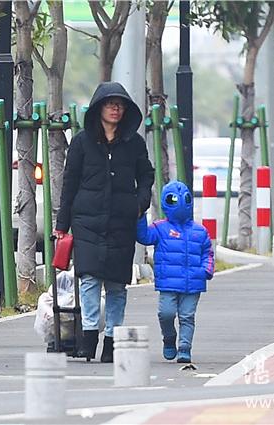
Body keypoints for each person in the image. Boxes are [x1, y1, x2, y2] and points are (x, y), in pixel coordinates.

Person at [54, 82, 154, 363]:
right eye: (110, 104)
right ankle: (88, 337)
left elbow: (146, 176)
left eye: (120, 104)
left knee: (117, 285)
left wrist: (139, 203)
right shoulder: (82, 142)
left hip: (122, 221)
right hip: (86, 221)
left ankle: (112, 340)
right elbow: (69, 183)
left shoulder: (134, 143)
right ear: (99, 108)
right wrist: (62, 225)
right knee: (88, 279)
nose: (115, 109)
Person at [136, 181, 214, 363]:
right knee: (166, 313)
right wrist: (140, 216)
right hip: (168, 283)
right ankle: (169, 338)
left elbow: (207, 252)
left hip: (193, 283)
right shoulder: (160, 228)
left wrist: (206, 270)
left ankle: (185, 348)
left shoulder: (199, 231)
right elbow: (144, 237)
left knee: (187, 316)